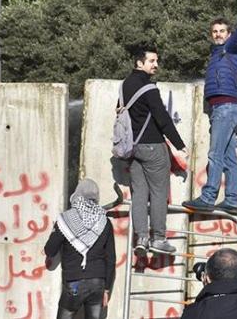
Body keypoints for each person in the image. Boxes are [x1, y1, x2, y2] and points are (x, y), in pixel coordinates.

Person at [184, 0, 237, 216]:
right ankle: (231, 200)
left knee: (215, 155)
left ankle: (208, 197)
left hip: (225, 108)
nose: (218, 34)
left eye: (222, 31)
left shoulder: (232, 49)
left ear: (229, 34)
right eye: (214, 31)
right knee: (230, 158)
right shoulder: (215, 53)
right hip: (225, 109)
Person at [121, 47, 188, 255]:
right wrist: (179, 144)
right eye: (151, 61)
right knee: (159, 193)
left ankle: (141, 238)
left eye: (156, 61)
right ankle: (158, 238)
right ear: (139, 63)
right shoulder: (149, 88)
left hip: (132, 148)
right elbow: (162, 118)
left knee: (139, 194)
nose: (156, 65)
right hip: (153, 146)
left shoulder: (124, 86)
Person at [44, 179, 116, 319]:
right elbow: (111, 259)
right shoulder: (104, 222)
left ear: (77, 194)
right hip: (98, 284)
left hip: (74, 282)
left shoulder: (66, 220)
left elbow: (50, 250)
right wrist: (106, 289)